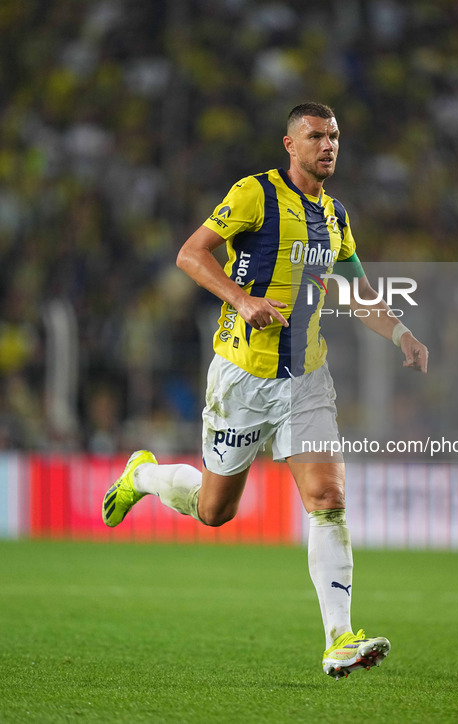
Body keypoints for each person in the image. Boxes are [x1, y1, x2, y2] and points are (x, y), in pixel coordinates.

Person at [102, 102, 428, 679]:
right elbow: (190, 253)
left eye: (333, 136)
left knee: (327, 499)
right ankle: (143, 476)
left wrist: (401, 332)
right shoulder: (254, 194)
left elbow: (357, 293)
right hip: (241, 378)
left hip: (307, 379)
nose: (327, 145)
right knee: (214, 511)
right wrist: (241, 299)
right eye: (315, 136)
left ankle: (338, 639)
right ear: (289, 144)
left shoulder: (336, 216)